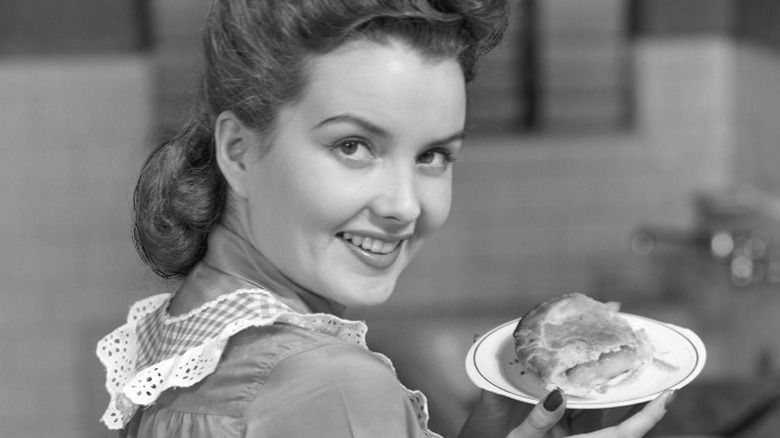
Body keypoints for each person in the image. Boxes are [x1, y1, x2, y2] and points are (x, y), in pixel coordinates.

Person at [97, 0, 677, 436]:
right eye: (353, 146)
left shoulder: (190, 330)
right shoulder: (330, 383)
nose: (404, 205)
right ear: (239, 150)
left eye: (432, 156)